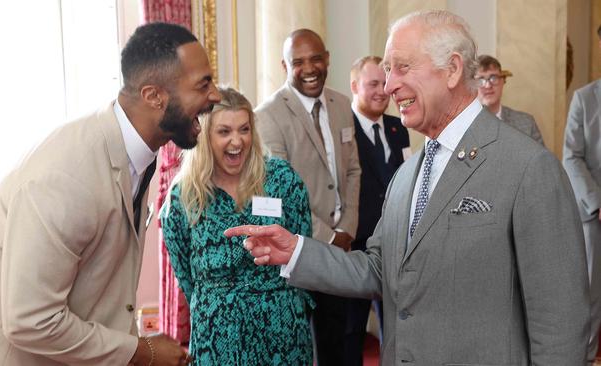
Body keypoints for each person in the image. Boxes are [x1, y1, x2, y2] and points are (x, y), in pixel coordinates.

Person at [228, 10, 590, 365]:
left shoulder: (529, 168)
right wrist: (295, 251)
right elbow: (380, 270)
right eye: (387, 70)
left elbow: (561, 323)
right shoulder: (407, 175)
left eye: (402, 67)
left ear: (452, 70)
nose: (388, 86)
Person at [0, 23, 221, 366]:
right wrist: (141, 352)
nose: (215, 96)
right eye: (203, 84)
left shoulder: (133, 150)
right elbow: (29, 322)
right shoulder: (65, 179)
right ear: (154, 96)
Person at [160, 87, 314, 365]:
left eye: (244, 129)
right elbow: (186, 275)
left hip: (282, 333)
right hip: (216, 338)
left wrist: (296, 308)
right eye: (224, 132)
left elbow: (305, 254)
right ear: (205, 137)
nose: (237, 140)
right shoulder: (183, 197)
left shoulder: (282, 180)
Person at [254, 28, 361, 365]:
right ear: (285, 66)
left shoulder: (343, 105)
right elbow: (278, 194)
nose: (310, 68)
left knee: (345, 338)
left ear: (327, 59)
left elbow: (354, 171)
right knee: (313, 344)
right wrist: (329, 237)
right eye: (298, 62)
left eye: (316, 58)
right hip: (303, 246)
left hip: (345, 241)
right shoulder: (268, 115)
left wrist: (348, 228)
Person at [344, 55, 409, 365]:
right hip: (355, 245)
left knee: (395, 327)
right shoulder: (342, 128)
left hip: (395, 242)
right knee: (351, 331)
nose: (382, 91)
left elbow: (407, 173)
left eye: (384, 83)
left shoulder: (399, 127)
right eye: (372, 84)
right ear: (355, 86)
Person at [562, 23, 601, 365]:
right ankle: (586, 359)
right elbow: (570, 155)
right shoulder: (585, 99)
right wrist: (597, 201)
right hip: (594, 216)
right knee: (590, 296)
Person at [475, 54, 544, 144]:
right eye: (480, 80)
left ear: (503, 81)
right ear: (471, 85)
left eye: (493, 78)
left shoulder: (527, 123)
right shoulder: (462, 125)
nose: (488, 86)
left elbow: (541, 158)